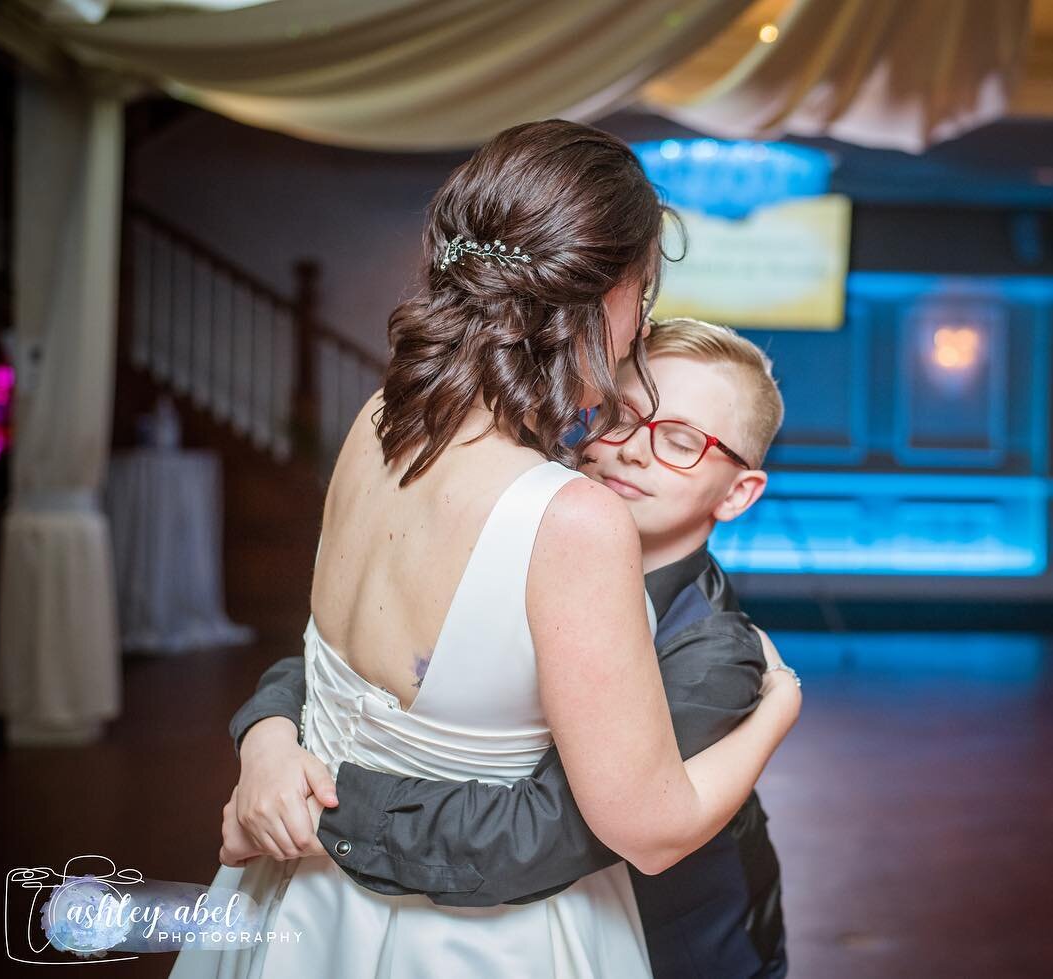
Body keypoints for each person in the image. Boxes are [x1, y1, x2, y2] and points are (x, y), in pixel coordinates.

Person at [169, 121, 801, 979]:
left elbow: (350, 674)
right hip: (472, 939)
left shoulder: (379, 422)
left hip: (301, 905)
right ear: (606, 293)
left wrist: (270, 747)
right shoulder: (571, 520)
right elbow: (647, 826)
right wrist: (778, 712)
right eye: (643, 295)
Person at [223, 318, 793, 977]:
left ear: (739, 492)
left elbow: (539, 835)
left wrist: (312, 817)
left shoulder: (712, 652)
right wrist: (266, 739)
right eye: (622, 415)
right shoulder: (532, 530)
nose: (634, 449)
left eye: (681, 440)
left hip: (682, 951)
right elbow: (354, 667)